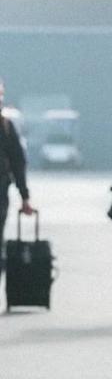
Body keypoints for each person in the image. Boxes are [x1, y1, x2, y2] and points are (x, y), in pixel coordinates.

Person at [0, 78, 34, 285]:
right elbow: (18, 163)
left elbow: (18, 163)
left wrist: (25, 196)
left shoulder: (5, 127)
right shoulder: (5, 127)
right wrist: (24, 197)